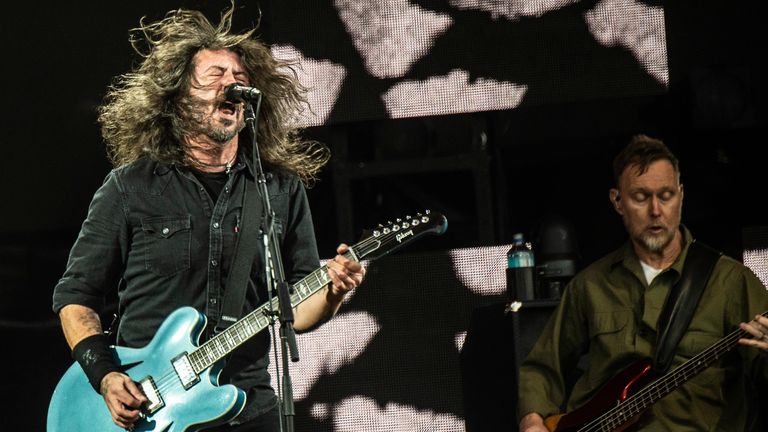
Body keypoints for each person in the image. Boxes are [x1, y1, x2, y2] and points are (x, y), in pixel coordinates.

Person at [52, 5, 365, 432]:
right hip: (147, 405)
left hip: (247, 403)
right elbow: (76, 297)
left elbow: (299, 309)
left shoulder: (278, 189)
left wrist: (334, 291)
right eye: (215, 76)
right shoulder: (131, 188)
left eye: (240, 78)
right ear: (178, 99)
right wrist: (106, 377)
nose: (232, 84)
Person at [518, 135, 768, 431]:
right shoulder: (591, 285)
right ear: (617, 201)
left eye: (666, 196)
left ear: (681, 196)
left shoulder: (731, 282)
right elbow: (543, 368)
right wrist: (532, 420)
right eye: (640, 197)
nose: (655, 211)